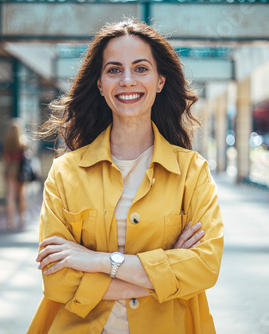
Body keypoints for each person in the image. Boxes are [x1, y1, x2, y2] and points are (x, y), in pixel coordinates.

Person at [28, 19, 224, 333]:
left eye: (141, 68)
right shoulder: (65, 173)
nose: (127, 80)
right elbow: (57, 281)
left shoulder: (192, 172)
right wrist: (166, 272)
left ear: (160, 80)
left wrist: (98, 261)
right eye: (114, 70)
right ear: (100, 84)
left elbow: (204, 267)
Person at [2, 118, 27, 231]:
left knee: (10, 196)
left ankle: (10, 222)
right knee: (21, 195)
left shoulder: (6, 142)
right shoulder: (23, 142)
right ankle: (22, 218)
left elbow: (4, 157)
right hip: (20, 170)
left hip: (9, 168)